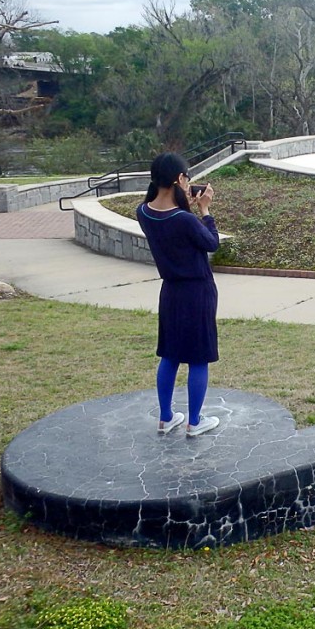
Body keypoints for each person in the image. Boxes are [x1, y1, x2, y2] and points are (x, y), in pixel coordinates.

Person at [137, 153, 221, 437]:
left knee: (170, 355)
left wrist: (186, 202)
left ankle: (166, 417)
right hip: (197, 291)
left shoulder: (143, 212)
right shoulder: (184, 219)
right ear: (177, 179)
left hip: (170, 291)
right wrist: (206, 210)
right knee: (198, 358)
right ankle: (195, 421)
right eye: (186, 176)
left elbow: (169, 219)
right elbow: (211, 243)